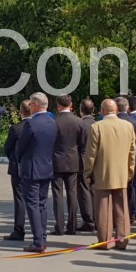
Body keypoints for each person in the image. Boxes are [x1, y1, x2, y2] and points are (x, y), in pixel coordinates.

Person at [84, 99, 136, 250]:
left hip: (102, 173)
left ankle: (105, 241)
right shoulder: (128, 126)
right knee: (122, 208)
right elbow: (132, 152)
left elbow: (91, 154)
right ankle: (122, 239)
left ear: (102, 111)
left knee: (103, 209)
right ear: (116, 110)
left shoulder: (97, 127)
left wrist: (87, 172)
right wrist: (129, 172)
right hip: (121, 173)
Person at [15, 93, 57, 253]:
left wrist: (19, 159)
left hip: (31, 168)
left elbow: (20, 147)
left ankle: (38, 241)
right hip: (46, 167)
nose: (30, 107)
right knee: (41, 204)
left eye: (31, 104)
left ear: (36, 105)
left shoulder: (31, 124)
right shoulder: (52, 122)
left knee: (32, 204)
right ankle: (42, 238)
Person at [52, 94, 85, 236]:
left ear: (58, 105)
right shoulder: (79, 121)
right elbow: (82, 144)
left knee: (57, 194)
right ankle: (72, 226)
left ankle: (59, 226)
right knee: (72, 194)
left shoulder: (53, 121)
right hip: (73, 161)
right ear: (71, 104)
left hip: (56, 161)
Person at [3, 100, 32, 241]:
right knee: (36, 199)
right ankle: (39, 230)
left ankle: (19, 230)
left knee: (19, 199)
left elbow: (8, 148)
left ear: (21, 112)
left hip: (18, 168)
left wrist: (14, 159)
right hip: (35, 167)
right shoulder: (39, 127)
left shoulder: (16, 128)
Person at [115, 96, 136, 224]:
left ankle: (120, 214)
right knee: (133, 185)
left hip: (120, 157)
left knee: (119, 187)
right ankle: (132, 214)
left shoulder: (114, 121)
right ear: (127, 107)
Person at [77, 98, 97, 232]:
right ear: (93, 110)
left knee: (83, 191)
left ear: (80, 110)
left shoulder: (79, 124)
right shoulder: (98, 124)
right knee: (94, 190)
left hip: (82, 161)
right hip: (97, 161)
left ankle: (88, 220)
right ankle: (96, 217)